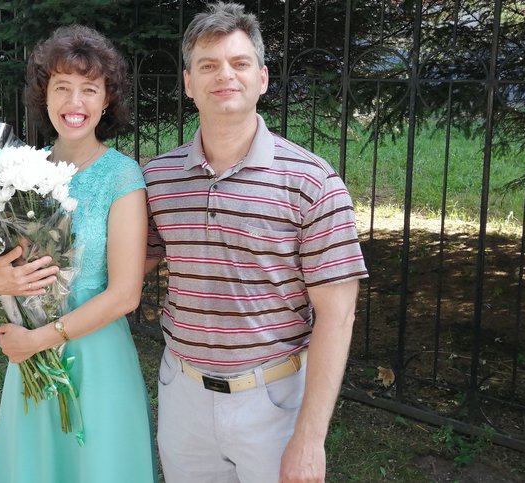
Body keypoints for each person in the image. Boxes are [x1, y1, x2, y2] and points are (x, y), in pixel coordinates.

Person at [142, 3, 368, 483]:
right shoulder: (157, 178)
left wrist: (309, 440)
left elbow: (338, 313)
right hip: (182, 394)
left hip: (273, 402)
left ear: (262, 78)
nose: (225, 75)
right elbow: (117, 268)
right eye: (208, 65)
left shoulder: (312, 181)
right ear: (188, 83)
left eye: (239, 63)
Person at [0, 25, 157, 483]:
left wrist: (39, 341)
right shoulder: (15, 172)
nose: (75, 103)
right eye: (62, 87)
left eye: (89, 89)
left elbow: (125, 295)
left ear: (107, 100)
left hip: (96, 356)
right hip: (29, 360)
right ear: (45, 96)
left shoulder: (122, 177)